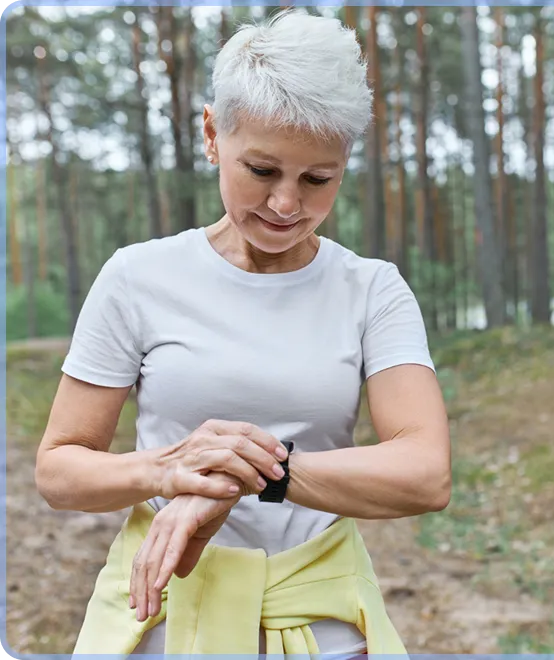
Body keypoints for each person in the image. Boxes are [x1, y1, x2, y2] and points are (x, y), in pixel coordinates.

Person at [35, 8, 451, 657]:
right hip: (163, 618)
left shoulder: (372, 290)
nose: (287, 204)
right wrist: (168, 469)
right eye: (261, 170)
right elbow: (60, 471)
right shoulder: (137, 277)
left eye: (318, 179)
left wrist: (249, 475)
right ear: (211, 135)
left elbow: (425, 473)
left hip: (322, 625)